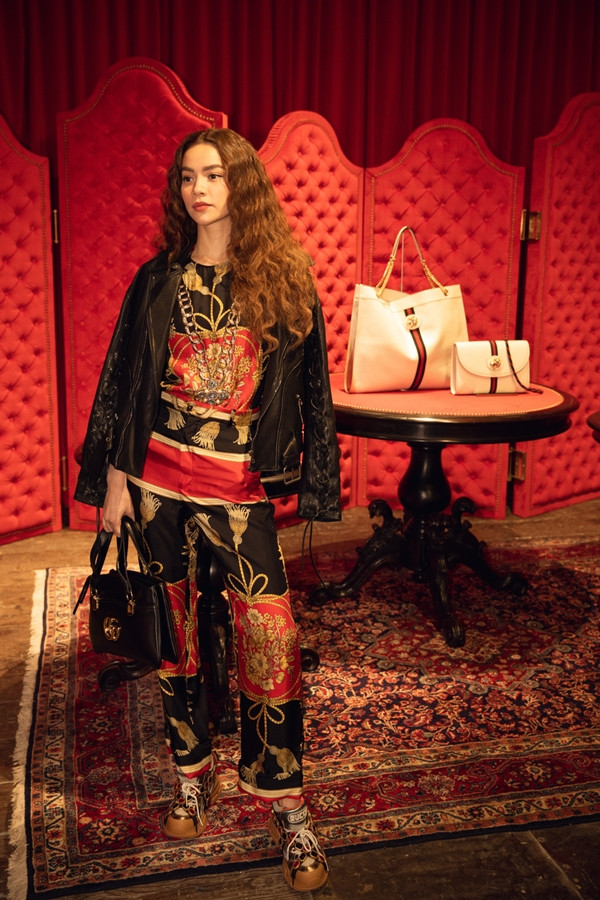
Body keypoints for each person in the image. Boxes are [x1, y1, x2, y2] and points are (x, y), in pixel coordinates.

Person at [75, 127, 341, 892]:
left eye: (215, 175)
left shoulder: (283, 280)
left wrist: (304, 479)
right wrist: (115, 484)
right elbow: (126, 383)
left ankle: (286, 801)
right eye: (189, 176)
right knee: (175, 636)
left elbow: (311, 391)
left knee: (272, 637)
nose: (199, 188)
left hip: (238, 491)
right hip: (159, 485)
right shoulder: (156, 279)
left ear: (241, 186)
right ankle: (192, 776)